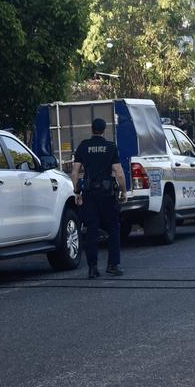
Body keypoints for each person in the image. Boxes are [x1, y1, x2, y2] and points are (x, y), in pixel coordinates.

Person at [72, 118, 127, 278]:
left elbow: (75, 172)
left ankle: (92, 268)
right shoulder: (110, 147)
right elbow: (119, 172)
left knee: (91, 230)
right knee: (113, 227)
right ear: (104, 130)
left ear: (91, 129)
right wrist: (123, 191)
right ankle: (112, 265)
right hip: (107, 194)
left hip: (89, 194)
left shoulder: (83, 146)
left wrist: (77, 192)